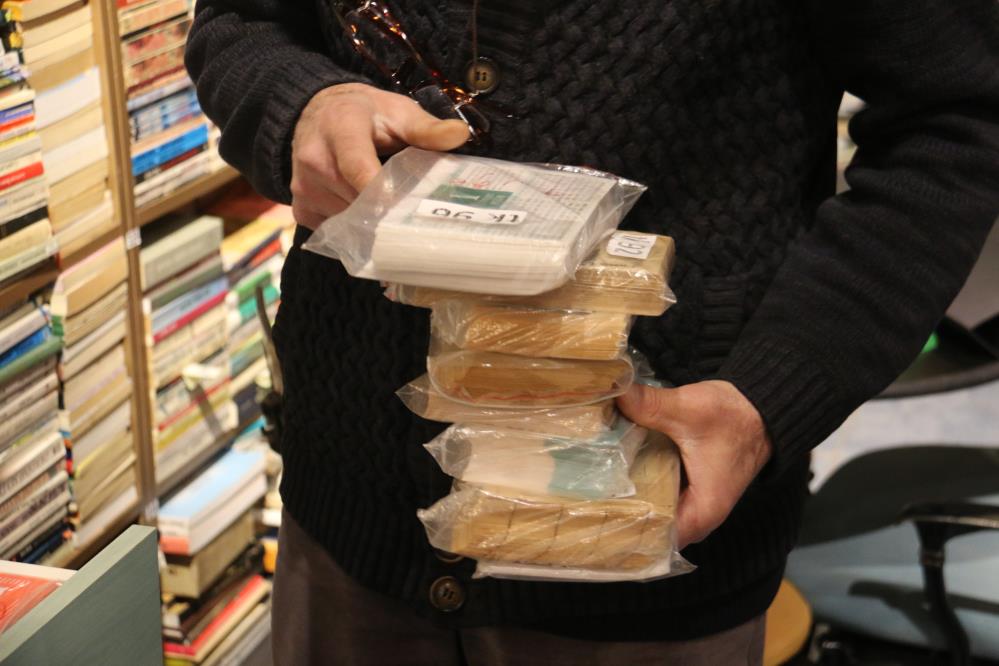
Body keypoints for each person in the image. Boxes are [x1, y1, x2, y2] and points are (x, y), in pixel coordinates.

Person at [186, 1, 999, 664]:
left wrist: (773, 392)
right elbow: (241, 22)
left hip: (648, 523)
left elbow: (956, 120)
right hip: (346, 512)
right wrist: (302, 105)